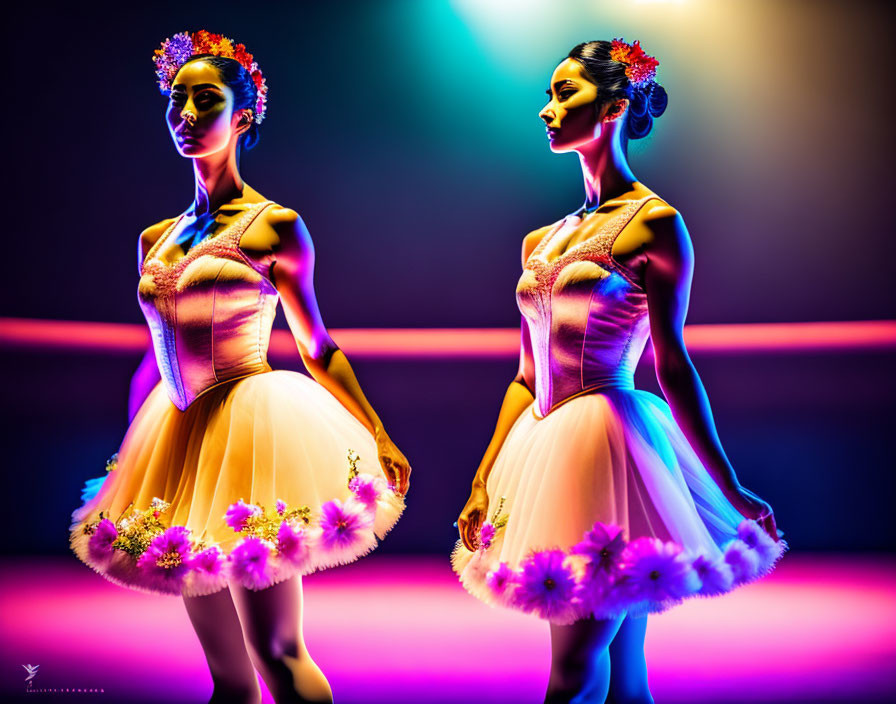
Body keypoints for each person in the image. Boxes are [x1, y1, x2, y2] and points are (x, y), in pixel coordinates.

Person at [68, 30, 411, 704]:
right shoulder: (154, 240)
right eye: (177, 100)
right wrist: (133, 455)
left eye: (206, 100)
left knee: (279, 655)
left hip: (252, 432)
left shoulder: (274, 226)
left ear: (243, 115)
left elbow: (318, 345)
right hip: (177, 440)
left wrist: (374, 431)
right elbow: (154, 352)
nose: (187, 114)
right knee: (229, 679)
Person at [452, 38, 787, 704]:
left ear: (613, 105)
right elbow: (525, 376)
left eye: (564, 93)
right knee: (621, 670)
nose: (547, 109)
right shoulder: (539, 240)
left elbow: (673, 363)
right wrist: (484, 477)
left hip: (612, 444)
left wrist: (728, 484)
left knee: (575, 664)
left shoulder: (655, 225)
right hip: (547, 448)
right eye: (547, 94)